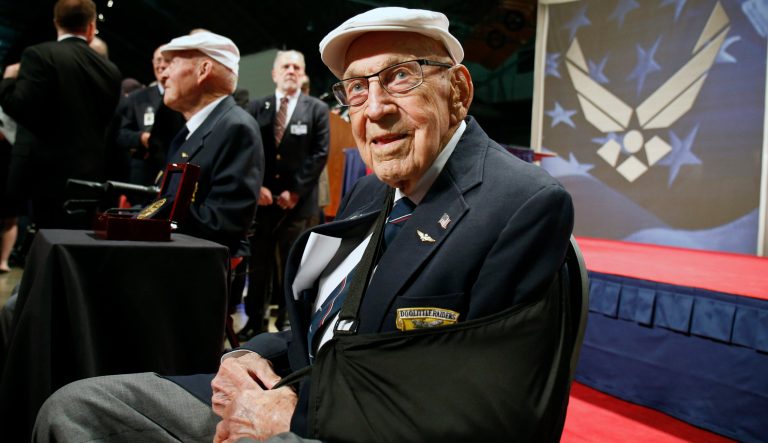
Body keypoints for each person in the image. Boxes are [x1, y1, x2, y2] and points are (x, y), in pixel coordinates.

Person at [33, 7, 573, 442]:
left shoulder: (522, 204)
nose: (375, 108)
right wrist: (248, 357)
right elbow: (338, 326)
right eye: (356, 88)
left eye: (399, 77)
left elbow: (488, 411)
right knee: (76, 408)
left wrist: (283, 420)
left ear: (458, 89)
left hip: (330, 424)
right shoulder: (373, 188)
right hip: (290, 386)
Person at [0, 0, 121, 229]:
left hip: (42, 170)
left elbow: (20, 107)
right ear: (91, 27)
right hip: (87, 171)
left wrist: (7, 80)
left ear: (56, 22)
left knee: (40, 235)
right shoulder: (110, 70)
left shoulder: (39, 55)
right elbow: (107, 118)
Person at [240, 50, 329, 338]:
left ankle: (287, 323)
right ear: (275, 73)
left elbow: (319, 154)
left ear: (302, 73)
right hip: (263, 202)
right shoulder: (257, 106)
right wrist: (259, 187)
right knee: (259, 265)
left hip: (297, 205)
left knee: (292, 265)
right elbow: (248, 151)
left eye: (297, 67)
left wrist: (295, 191)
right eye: (285, 66)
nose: (291, 70)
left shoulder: (316, 109)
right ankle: (254, 321)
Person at [154, 31, 263, 258]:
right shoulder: (191, 130)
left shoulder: (236, 128)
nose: (164, 74)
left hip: (199, 273)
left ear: (203, 70)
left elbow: (223, 224)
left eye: (172, 64)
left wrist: (154, 214)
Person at [114, 46, 186, 186]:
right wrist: (141, 138)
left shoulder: (184, 97)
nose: (162, 65)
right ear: (153, 63)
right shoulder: (137, 98)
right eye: (158, 60)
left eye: (167, 60)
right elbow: (119, 134)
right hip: (143, 177)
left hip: (177, 172)